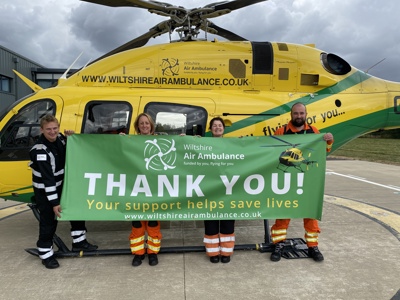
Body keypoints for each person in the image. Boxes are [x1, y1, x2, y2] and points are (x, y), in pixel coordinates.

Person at [29, 115, 98, 269]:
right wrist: (54, 203)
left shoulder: (60, 138)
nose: (52, 132)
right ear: (42, 130)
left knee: (77, 211)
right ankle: (46, 253)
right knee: (49, 220)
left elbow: (71, 151)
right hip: (45, 191)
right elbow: (48, 181)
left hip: (63, 185)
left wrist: (71, 138)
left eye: (55, 128)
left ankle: (79, 242)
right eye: (48, 129)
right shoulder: (40, 151)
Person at [270, 102, 334, 262]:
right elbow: (269, 151)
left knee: (310, 212)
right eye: (296, 113)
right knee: (283, 211)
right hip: (286, 179)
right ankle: (278, 244)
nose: (299, 116)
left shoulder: (314, 132)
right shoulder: (281, 131)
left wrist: (329, 141)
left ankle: (313, 246)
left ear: (306, 114)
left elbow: (324, 150)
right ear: (291, 115)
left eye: (301, 113)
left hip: (307, 180)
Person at [128, 113, 162, 267]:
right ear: (137, 126)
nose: (144, 126)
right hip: (136, 189)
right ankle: (138, 253)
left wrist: (182, 138)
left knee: (153, 224)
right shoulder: (131, 142)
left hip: (154, 190)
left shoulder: (160, 141)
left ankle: (153, 253)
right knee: (137, 224)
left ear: (151, 125)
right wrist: (118, 140)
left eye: (146, 123)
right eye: (141, 123)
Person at [203, 117, 235, 263]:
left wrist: (243, 143)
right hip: (209, 190)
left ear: (224, 128)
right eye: (214, 126)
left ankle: (226, 252)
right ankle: (213, 253)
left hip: (228, 189)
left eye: (220, 125)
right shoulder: (203, 144)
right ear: (210, 129)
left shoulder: (231, 144)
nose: (217, 128)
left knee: (227, 221)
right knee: (211, 222)